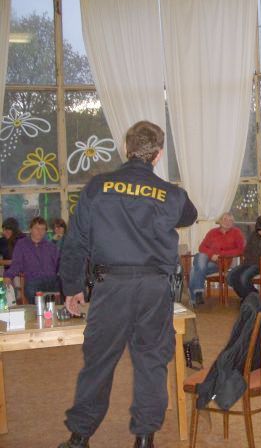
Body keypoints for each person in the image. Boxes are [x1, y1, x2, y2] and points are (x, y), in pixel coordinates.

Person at [57, 121, 197, 448]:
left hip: (111, 287)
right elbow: (189, 215)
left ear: (125, 148)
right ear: (158, 154)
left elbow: (75, 242)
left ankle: (79, 438)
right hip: (154, 290)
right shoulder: (170, 194)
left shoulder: (97, 187)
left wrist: (73, 287)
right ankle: (145, 439)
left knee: (98, 363)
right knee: (151, 362)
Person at [188, 212, 245, 305]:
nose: (227, 222)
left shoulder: (236, 233)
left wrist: (221, 254)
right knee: (201, 256)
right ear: (220, 221)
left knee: (194, 269)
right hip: (207, 260)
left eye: (230, 220)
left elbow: (241, 250)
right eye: (225, 219)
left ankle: (195, 296)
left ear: (233, 223)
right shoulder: (212, 232)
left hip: (221, 263)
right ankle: (198, 295)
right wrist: (211, 255)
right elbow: (202, 247)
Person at [3, 217, 59, 303]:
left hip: (52, 281)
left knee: (60, 292)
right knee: (32, 293)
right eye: (37, 228)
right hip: (33, 281)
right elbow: (16, 264)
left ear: (45, 231)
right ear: (30, 229)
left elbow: (58, 265)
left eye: (43, 229)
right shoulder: (21, 244)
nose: (40, 231)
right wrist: (8, 276)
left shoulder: (51, 246)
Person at [227, 215, 261, 301]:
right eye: (259, 230)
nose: (260, 232)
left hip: (260, 265)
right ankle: (250, 297)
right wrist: (251, 256)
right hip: (247, 262)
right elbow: (246, 250)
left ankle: (251, 299)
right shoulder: (254, 234)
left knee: (243, 278)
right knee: (230, 277)